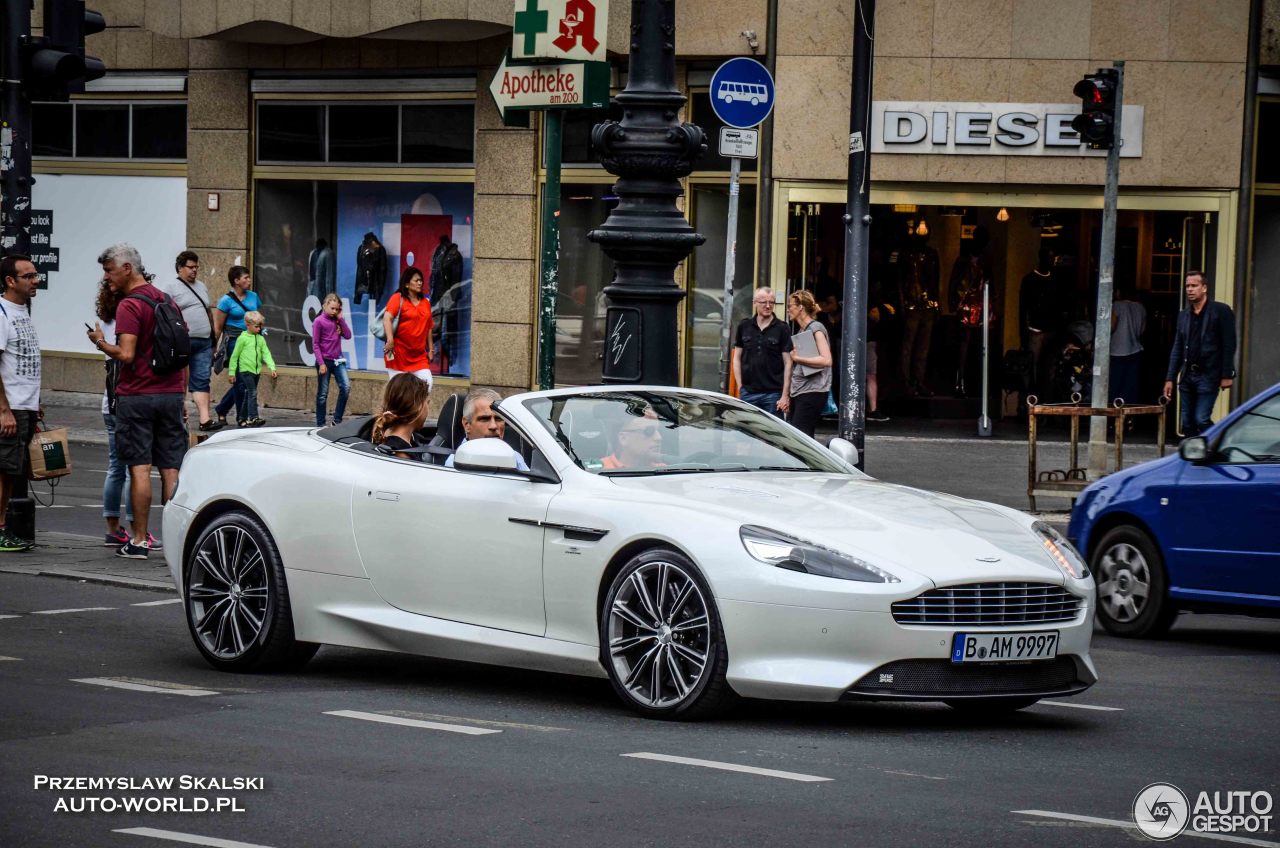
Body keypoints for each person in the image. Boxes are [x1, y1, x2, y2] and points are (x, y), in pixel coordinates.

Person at [86, 243, 186, 560]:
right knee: (171, 469)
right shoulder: (167, 300)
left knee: (139, 469)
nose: (106, 278)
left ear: (127, 268)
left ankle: (140, 540)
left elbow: (126, 354)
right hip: (170, 394)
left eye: (109, 270)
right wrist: (180, 395)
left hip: (138, 395)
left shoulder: (130, 305)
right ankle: (176, 541)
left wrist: (100, 342)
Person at [0, 254, 43, 551]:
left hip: (24, 405)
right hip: (10, 407)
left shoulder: (22, 311)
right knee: (3, 471)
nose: (35, 280)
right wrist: (3, 410)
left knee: (11, 472)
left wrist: (35, 402)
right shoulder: (2, 313)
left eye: (35, 274)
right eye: (28, 276)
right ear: (10, 281)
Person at [1164, 271, 1237, 437]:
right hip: (1188, 374)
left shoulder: (1220, 311)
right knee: (1187, 422)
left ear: (1204, 288)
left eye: (1194, 285)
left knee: (1201, 419)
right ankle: (1193, 457)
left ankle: (1220, 443)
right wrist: (1170, 377)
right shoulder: (1183, 315)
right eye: (1187, 286)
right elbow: (1178, 347)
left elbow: (1229, 343)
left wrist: (1227, 374)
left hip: (1209, 374)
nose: (1190, 289)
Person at [158, 250, 219, 431]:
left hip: (204, 341)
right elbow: (165, 314)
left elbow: (208, 311)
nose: (194, 271)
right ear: (180, 268)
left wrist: (213, 337)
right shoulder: (170, 288)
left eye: (196, 267)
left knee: (202, 379)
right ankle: (178, 418)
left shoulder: (201, 286)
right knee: (180, 380)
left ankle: (205, 419)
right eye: (190, 267)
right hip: (182, 341)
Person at [732, 288, 792, 417]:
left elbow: (788, 363)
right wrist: (740, 387)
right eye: (764, 302)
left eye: (771, 302)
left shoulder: (782, 328)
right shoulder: (744, 326)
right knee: (747, 433)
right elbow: (736, 358)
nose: (768, 306)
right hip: (748, 392)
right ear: (755, 303)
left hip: (773, 394)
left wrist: (784, 395)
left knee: (772, 434)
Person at [213, 266, 261, 427]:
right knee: (241, 381)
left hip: (253, 341)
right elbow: (218, 326)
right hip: (235, 341)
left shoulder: (254, 297)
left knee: (248, 380)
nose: (249, 280)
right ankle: (242, 418)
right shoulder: (225, 301)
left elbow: (257, 317)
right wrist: (214, 347)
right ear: (236, 281)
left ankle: (222, 408)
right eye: (245, 277)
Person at [785, 290, 833, 439]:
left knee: (799, 438)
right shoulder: (803, 330)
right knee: (803, 437)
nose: (788, 310)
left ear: (800, 308)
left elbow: (826, 360)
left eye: (790, 306)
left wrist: (798, 359)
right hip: (801, 391)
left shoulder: (816, 328)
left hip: (812, 392)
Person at [445, 387, 530, 471]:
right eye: (484, 419)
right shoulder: (455, 463)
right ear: (467, 424)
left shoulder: (515, 457)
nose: (493, 426)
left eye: (498, 418)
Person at [384, 266, 435, 386]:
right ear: (407, 284)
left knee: (427, 384)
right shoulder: (398, 298)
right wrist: (390, 340)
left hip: (419, 356)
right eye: (416, 280)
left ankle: (416, 405)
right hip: (399, 354)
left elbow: (429, 327)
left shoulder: (425, 303)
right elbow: (387, 318)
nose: (420, 283)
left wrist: (431, 349)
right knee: (399, 392)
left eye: (421, 280)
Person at [227, 311, 277, 427]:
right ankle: (253, 417)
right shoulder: (242, 338)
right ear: (248, 325)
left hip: (256, 371)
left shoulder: (260, 339)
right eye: (256, 326)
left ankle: (242, 418)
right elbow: (234, 356)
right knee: (252, 392)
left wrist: (272, 367)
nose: (259, 329)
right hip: (246, 371)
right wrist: (231, 372)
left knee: (248, 394)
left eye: (260, 326)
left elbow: (266, 353)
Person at [371, 372, 432, 460]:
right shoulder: (403, 455)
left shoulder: (387, 433)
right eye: (427, 402)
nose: (428, 409)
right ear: (419, 407)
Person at [312, 293, 352, 426]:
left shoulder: (337, 320)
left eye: (337, 309)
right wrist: (321, 363)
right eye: (332, 308)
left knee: (345, 387)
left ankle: (337, 420)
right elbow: (315, 344)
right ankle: (320, 423)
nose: (334, 311)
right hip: (324, 361)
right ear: (325, 306)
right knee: (323, 393)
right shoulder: (318, 321)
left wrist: (341, 320)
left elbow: (348, 335)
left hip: (338, 360)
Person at [1109, 284, 1146, 406]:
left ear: (1118, 292)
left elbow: (1111, 327)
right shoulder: (1140, 307)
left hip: (1117, 351)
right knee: (1130, 388)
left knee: (1115, 388)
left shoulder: (1117, 305)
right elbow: (1141, 330)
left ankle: (1114, 419)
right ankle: (1129, 419)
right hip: (1135, 350)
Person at [601, 406, 664, 471]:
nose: (659, 437)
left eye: (660, 431)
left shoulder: (664, 469)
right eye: (649, 431)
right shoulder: (597, 472)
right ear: (623, 438)